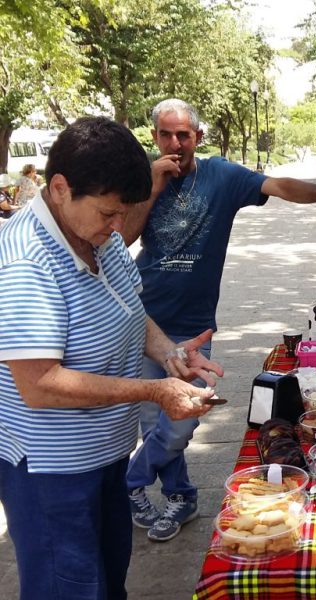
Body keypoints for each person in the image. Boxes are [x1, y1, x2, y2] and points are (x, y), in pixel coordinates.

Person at [121, 98, 316, 543]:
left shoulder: (222, 176)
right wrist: (152, 186)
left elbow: (279, 185)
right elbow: (121, 239)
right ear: (154, 136)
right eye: (166, 135)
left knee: (181, 424)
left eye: (184, 135)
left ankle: (127, 482)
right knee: (154, 423)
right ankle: (181, 496)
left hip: (193, 326)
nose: (175, 144)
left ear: (198, 136)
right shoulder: (140, 179)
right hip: (139, 318)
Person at [0, 117, 223, 600]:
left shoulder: (100, 235)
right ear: (59, 189)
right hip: (52, 471)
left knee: (107, 582)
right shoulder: (26, 262)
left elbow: (129, 310)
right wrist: (154, 391)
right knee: (69, 587)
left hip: (105, 456)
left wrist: (170, 355)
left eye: (125, 212)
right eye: (108, 213)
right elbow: (38, 384)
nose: (119, 226)